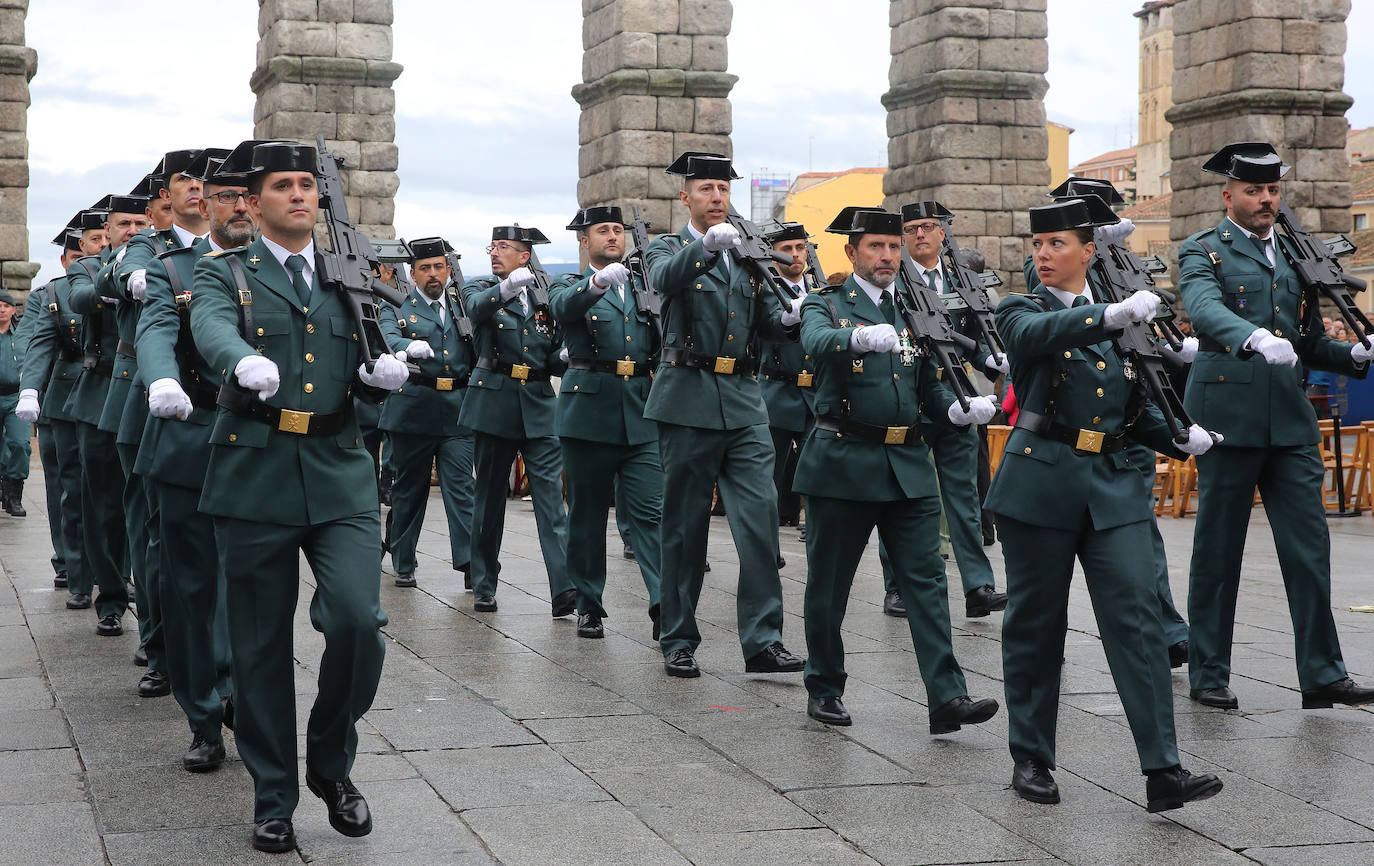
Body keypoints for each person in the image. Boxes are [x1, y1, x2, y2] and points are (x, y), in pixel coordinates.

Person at [189, 141, 409, 853]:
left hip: (339, 466)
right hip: (254, 470)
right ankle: (273, 793)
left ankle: (331, 763)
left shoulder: (349, 269)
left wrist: (390, 364)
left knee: (356, 620)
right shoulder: (225, 270)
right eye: (282, 186)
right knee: (257, 648)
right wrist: (240, 358)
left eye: (307, 185)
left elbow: (384, 332)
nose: (298, 195)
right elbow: (210, 325)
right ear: (251, 204)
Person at [988, 197, 1223, 811]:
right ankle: (1032, 758)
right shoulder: (1020, 308)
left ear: (1088, 251)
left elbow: (1132, 404)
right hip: (1041, 484)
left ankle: (1163, 770)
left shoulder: (1125, 319)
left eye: (1057, 244)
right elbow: (1034, 336)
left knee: (1139, 623)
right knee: (1036, 627)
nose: (1043, 254)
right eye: (1037, 246)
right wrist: (1108, 314)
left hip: (1113, 487)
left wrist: (1177, 434)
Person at [1179, 141, 1374, 711]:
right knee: (1219, 552)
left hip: (1289, 424)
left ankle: (1323, 673)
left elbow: (1307, 337)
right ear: (1228, 195)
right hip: (1227, 420)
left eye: (1271, 191)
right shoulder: (1204, 251)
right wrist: (1252, 337)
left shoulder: (1294, 255)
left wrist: (1354, 356)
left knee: (1309, 550)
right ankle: (1209, 672)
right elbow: (1203, 308)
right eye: (1253, 191)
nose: (1265, 200)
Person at [794, 205, 1002, 731]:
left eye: (893, 248)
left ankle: (947, 697)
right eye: (876, 248)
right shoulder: (828, 303)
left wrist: (955, 408)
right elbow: (815, 342)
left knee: (928, 582)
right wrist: (856, 339)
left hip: (908, 462)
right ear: (852, 253)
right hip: (843, 460)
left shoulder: (914, 308)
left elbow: (927, 381)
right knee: (829, 583)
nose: (887, 256)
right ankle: (824, 685)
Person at [644, 151, 805, 678]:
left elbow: (765, 324)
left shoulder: (748, 254)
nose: (717, 197)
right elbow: (664, 279)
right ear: (685, 197)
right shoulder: (670, 246)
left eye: (722, 189)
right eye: (707, 189)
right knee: (685, 527)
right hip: (687, 396)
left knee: (760, 521)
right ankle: (678, 636)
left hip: (742, 399)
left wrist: (792, 316)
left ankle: (763, 639)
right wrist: (706, 252)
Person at [134, 146, 246, 772]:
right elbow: (155, 328)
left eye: (228, 191)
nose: (215, 198)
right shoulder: (169, 263)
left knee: (250, 583)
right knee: (193, 586)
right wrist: (159, 380)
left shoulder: (260, 263)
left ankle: (240, 696)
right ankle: (204, 710)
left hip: (254, 441)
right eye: (206, 188)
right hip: (187, 432)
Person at [551, 206, 664, 639]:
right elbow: (563, 306)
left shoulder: (643, 287)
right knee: (587, 514)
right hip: (589, 414)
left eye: (618, 230)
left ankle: (662, 604)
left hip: (640, 410)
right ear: (584, 241)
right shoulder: (570, 281)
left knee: (651, 514)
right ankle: (589, 602)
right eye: (603, 231)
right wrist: (596, 283)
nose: (613, 237)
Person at [895, 201, 1009, 619]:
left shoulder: (963, 280)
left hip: (959, 397)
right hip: (909, 398)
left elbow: (977, 336)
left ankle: (978, 586)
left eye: (928, 227)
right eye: (911, 229)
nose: (920, 234)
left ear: (943, 233)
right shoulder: (897, 280)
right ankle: (898, 587)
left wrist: (993, 362)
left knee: (964, 497)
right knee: (906, 498)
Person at [459, 226, 573, 615]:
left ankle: (563, 588)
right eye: (492, 246)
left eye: (504, 247)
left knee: (552, 503)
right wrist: (505, 289)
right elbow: (475, 310)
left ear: (525, 256)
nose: (495, 253)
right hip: (494, 404)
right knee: (489, 502)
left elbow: (554, 347)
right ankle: (484, 581)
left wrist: (564, 357)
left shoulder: (544, 298)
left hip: (540, 405)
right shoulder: (479, 289)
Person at [66, 191, 149, 636]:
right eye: (123, 226)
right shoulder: (90, 266)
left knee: (143, 501)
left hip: (147, 392)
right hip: (100, 396)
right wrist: (114, 286)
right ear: (109, 232)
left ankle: (143, 590)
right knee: (102, 504)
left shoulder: (162, 261)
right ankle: (110, 596)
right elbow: (79, 297)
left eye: (140, 224)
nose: (132, 232)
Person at [378, 236, 476, 589]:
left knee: (462, 489)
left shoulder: (463, 304)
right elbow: (388, 337)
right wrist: (407, 347)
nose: (433, 275)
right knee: (409, 488)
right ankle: (403, 560)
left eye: (438, 267)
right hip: (413, 407)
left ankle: (469, 563)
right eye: (425, 269)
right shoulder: (396, 305)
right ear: (413, 273)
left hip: (457, 411)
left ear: (448, 270)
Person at [19, 212, 106, 606]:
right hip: (62, 397)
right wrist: (31, 390)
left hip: (107, 393)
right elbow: (32, 345)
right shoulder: (48, 295)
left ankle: (113, 570)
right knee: (67, 489)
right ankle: (72, 564)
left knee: (107, 492)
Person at [758, 221, 817, 543]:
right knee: (768, 470)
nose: (795, 256)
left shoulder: (819, 288)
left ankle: (817, 522)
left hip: (815, 392)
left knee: (818, 464)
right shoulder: (764, 289)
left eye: (799, 248)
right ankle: (763, 529)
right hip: (777, 391)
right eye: (787, 250)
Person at [0, 289, 30, 516]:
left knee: (20, 444)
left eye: (6, 305)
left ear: (13, 309)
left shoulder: (22, 333)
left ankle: (14, 495)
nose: (2, 309)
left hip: (15, 397)